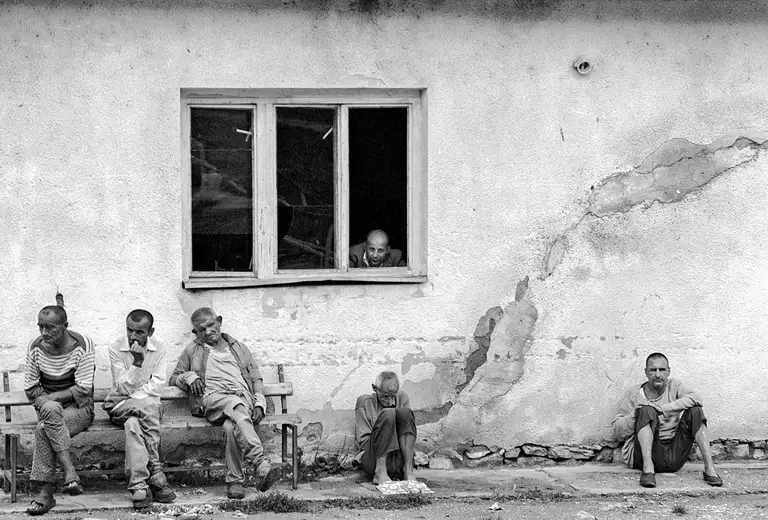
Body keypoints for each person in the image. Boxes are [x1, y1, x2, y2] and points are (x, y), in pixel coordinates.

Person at [169, 307, 281, 499]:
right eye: (202, 329)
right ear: (196, 333)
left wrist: (260, 402)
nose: (208, 331)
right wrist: (189, 377)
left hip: (242, 400)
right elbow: (174, 379)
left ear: (219, 321)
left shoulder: (238, 347)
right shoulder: (192, 351)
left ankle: (235, 481)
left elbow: (255, 378)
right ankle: (260, 463)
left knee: (231, 426)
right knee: (234, 405)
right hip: (212, 399)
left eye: (211, 325)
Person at [612, 352, 723, 488]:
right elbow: (616, 431)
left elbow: (697, 398)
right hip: (641, 456)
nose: (658, 374)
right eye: (653, 370)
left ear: (668, 371)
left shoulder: (675, 386)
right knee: (646, 409)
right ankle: (648, 470)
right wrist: (635, 415)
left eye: (662, 370)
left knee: (695, 411)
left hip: (673, 455)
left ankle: (710, 469)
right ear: (646, 372)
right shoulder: (634, 394)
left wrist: (662, 409)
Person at [24, 306, 95, 516]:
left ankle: (46, 492)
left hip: (78, 409)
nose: (44, 332)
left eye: (50, 327)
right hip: (46, 408)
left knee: (43, 429)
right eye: (41, 327)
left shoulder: (83, 345)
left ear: (65, 326)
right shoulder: (35, 347)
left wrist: (52, 398)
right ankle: (69, 471)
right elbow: (30, 388)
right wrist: (49, 403)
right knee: (51, 412)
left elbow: (83, 389)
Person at [104, 310, 176, 508]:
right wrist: (137, 362)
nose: (133, 336)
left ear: (150, 331)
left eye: (140, 332)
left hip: (145, 408)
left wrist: (136, 399)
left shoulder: (160, 347)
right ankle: (156, 470)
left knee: (134, 424)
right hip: (120, 406)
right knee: (146, 408)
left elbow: (158, 384)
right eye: (129, 330)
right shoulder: (116, 347)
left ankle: (139, 487)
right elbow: (122, 387)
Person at [353, 371, 416, 484]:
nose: (390, 401)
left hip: (398, 459)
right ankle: (380, 473)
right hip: (375, 460)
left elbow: (407, 429)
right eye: (385, 397)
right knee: (388, 413)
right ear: (374, 388)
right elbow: (364, 442)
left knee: (405, 412)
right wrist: (385, 429)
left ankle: (408, 470)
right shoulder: (365, 402)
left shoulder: (402, 397)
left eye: (393, 396)